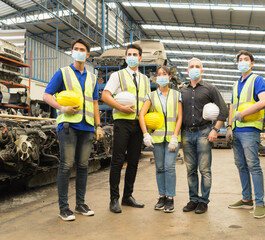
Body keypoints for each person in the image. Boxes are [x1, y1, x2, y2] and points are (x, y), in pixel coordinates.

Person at [43, 38, 103, 221]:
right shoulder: (63, 73)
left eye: (82, 49)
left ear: (88, 54)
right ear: (72, 52)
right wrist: (62, 108)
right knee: (67, 165)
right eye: (75, 49)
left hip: (86, 127)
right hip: (68, 126)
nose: (78, 51)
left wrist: (98, 126)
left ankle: (80, 204)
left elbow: (94, 103)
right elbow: (46, 95)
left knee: (83, 166)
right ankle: (64, 208)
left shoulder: (92, 77)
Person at [102, 44, 150, 213]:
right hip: (122, 123)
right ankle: (114, 198)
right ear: (125, 58)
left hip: (138, 124)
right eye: (129, 54)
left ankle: (127, 196)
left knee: (134, 162)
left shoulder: (145, 79)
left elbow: (146, 101)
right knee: (117, 160)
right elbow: (105, 95)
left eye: (135, 54)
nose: (131, 57)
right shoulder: (118, 75)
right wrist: (120, 107)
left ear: (140, 58)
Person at [181, 58, 227, 214]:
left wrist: (215, 129)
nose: (194, 69)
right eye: (191, 66)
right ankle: (193, 199)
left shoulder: (210, 89)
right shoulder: (182, 91)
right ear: (187, 71)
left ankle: (203, 201)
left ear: (202, 70)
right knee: (190, 170)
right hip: (186, 134)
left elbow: (223, 110)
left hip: (204, 132)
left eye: (197, 66)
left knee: (205, 170)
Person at [226, 50, 265, 219]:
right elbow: (231, 107)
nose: (242, 62)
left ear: (252, 63)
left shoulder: (256, 79)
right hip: (236, 130)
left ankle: (260, 203)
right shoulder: (236, 83)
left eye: (246, 59)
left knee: (253, 166)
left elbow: (264, 101)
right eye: (240, 60)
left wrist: (243, 114)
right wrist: (229, 126)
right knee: (241, 165)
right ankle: (246, 199)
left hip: (250, 129)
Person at [139, 66, 182, 213]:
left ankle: (170, 198)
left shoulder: (177, 95)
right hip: (157, 138)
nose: (162, 76)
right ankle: (162, 196)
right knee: (159, 168)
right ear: (156, 79)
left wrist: (175, 137)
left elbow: (179, 117)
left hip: (172, 138)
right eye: (159, 75)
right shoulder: (150, 96)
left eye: (165, 74)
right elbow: (141, 115)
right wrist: (146, 134)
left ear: (170, 77)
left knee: (169, 167)